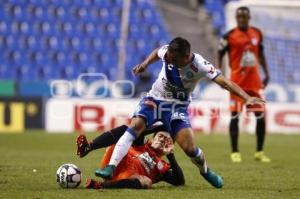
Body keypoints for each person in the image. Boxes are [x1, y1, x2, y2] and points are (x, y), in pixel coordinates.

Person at [96, 37, 265, 189]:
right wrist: (145, 64)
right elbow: (157, 52)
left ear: (186, 57)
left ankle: (205, 171)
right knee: (136, 125)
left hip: (178, 107)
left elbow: (225, 82)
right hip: (154, 99)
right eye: (168, 56)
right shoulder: (168, 53)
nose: (169, 60)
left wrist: (246, 98)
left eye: (173, 59)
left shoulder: (200, 65)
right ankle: (111, 166)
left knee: (190, 148)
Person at [218, 6, 271, 163]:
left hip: (254, 83)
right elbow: (219, 54)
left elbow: (260, 54)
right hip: (237, 84)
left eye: (244, 17)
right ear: (236, 18)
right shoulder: (229, 36)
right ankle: (235, 152)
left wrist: (267, 73)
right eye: (239, 17)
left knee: (260, 117)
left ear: (249, 18)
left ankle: (259, 152)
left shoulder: (257, 33)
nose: (241, 19)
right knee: (235, 116)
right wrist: (219, 74)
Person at [76, 124, 185, 189]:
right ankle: (88, 147)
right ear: (153, 138)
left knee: (146, 181)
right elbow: (138, 130)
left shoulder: (161, 167)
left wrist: (170, 155)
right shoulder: (143, 143)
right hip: (115, 163)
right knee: (126, 130)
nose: (162, 140)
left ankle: (101, 185)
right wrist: (162, 125)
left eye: (166, 140)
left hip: (128, 178)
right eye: (160, 136)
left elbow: (179, 181)